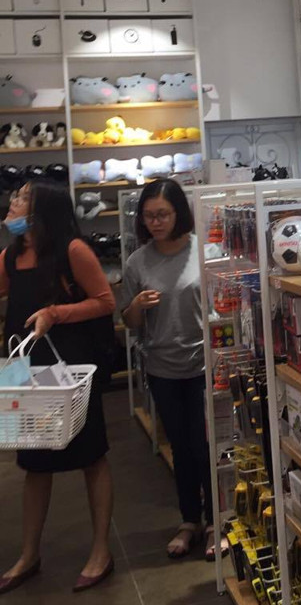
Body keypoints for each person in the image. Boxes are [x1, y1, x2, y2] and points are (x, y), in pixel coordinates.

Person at [0, 181, 115, 595]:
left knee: (90, 455)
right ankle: (29, 554)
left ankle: (101, 550)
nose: (12, 202)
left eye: (21, 198)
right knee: (33, 461)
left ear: (41, 210)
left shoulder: (73, 251)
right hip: (21, 367)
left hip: (71, 365)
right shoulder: (10, 256)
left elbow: (105, 301)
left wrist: (55, 312)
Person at [121, 178, 220, 560]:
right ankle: (189, 520)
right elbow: (129, 322)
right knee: (180, 446)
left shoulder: (204, 252)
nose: (156, 222)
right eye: (149, 216)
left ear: (179, 213)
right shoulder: (137, 262)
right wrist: (136, 307)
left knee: (206, 445)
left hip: (204, 366)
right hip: (162, 368)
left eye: (162, 214)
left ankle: (215, 522)